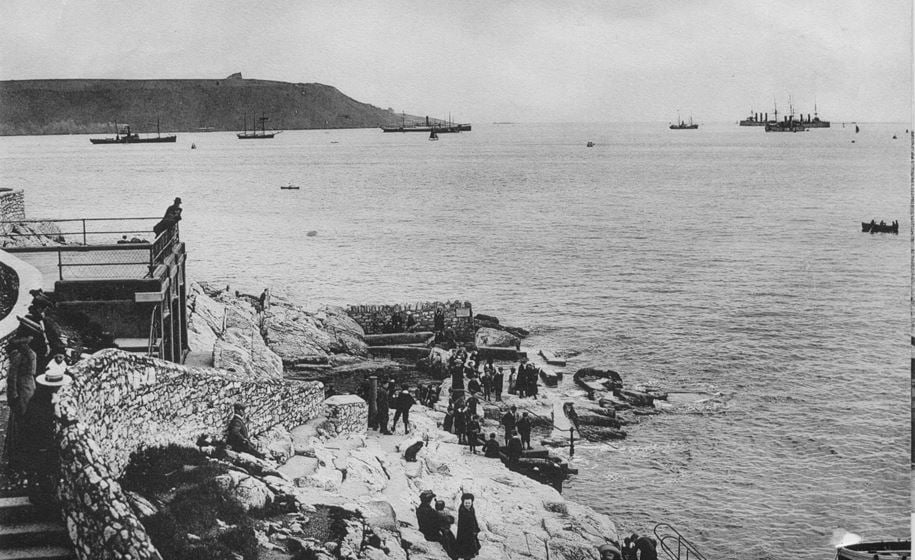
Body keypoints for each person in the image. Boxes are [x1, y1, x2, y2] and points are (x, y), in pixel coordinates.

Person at [25, 368, 72, 508]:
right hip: (37, 438)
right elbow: (41, 422)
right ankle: (38, 496)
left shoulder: (42, 397)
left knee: (39, 467)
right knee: (40, 466)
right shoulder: (41, 403)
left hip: (36, 437)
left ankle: (39, 493)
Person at [5, 333, 36, 472]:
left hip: (29, 389)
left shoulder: (30, 354)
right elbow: (12, 378)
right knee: (20, 424)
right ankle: (17, 460)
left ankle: (25, 458)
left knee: (27, 423)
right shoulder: (19, 356)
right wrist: (14, 396)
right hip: (22, 392)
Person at [455, 493, 481, 559]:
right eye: (466, 503)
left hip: (471, 533)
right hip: (464, 534)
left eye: (469, 503)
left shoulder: (472, 509)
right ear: (463, 502)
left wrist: (476, 527)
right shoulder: (462, 511)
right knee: (466, 552)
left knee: (470, 550)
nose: (467, 505)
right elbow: (464, 525)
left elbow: (474, 518)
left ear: (472, 503)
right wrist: (472, 532)